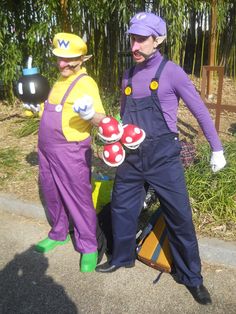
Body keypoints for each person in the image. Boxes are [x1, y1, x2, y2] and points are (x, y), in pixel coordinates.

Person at [95, 12, 226, 304]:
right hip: (131, 158)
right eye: (132, 38)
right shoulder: (127, 75)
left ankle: (192, 277)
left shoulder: (172, 72)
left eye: (141, 39)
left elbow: (200, 111)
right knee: (121, 209)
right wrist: (111, 136)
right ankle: (121, 257)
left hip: (164, 158)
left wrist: (217, 148)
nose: (134, 46)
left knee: (180, 217)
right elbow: (125, 117)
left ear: (158, 40)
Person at [35, 32, 105, 273]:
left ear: (82, 59)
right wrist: (37, 108)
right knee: (51, 191)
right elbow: (53, 109)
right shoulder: (58, 81)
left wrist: (90, 116)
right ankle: (58, 232)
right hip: (46, 148)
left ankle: (88, 246)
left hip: (71, 150)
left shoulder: (86, 83)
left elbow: (103, 119)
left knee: (78, 197)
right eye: (59, 59)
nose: (62, 64)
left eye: (69, 60)